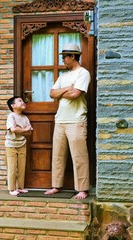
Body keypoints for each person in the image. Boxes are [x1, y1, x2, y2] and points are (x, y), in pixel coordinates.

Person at [44, 43, 91, 199]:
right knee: (58, 155)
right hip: (60, 120)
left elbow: (75, 94)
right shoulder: (63, 76)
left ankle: (82, 189)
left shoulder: (83, 73)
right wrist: (66, 89)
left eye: (64, 57)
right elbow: (52, 93)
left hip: (76, 120)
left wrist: (62, 92)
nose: (63, 60)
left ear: (73, 56)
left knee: (79, 156)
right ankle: (56, 186)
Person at [5, 96, 33, 196]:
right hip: (11, 145)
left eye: (22, 101)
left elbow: (29, 132)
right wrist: (24, 130)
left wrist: (20, 129)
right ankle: (11, 189)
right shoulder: (11, 116)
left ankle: (20, 187)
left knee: (21, 166)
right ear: (13, 106)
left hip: (22, 144)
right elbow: (13, 130)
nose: (23, 102)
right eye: (20, 101)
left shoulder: (25, 118)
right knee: (12, 167)